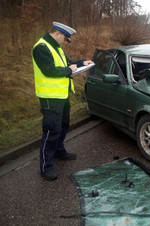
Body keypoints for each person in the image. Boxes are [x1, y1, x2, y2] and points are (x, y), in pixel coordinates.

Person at [32, 22, 93, 181]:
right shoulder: (41, 47)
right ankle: (46, 167)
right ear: (58, 33)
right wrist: (69, 70)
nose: (65, 41)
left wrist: (81, 63)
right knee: (51, 131)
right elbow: (50, 70)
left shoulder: (56, 47)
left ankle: (59, 151)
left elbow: (67, 63)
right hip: (50, 98)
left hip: (62, 96)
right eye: (65, 38)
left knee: (63, 125)